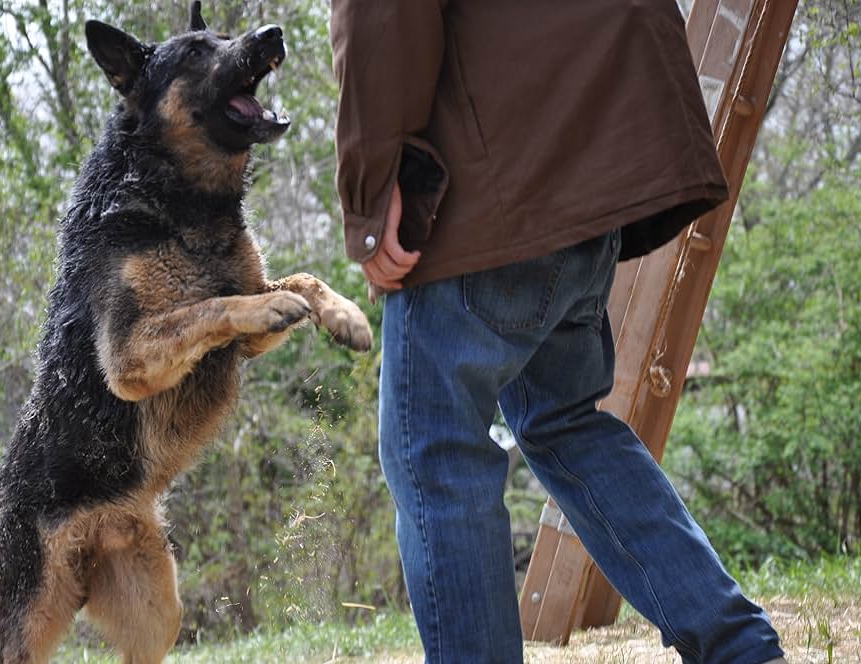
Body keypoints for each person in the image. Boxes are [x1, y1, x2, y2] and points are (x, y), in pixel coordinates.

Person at [329, 2, 787, 663]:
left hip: (491, 186)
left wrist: (370, 195)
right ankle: (741, 649)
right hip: (587, 175)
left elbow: (381, 15)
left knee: (436, 452)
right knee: (566, 421)